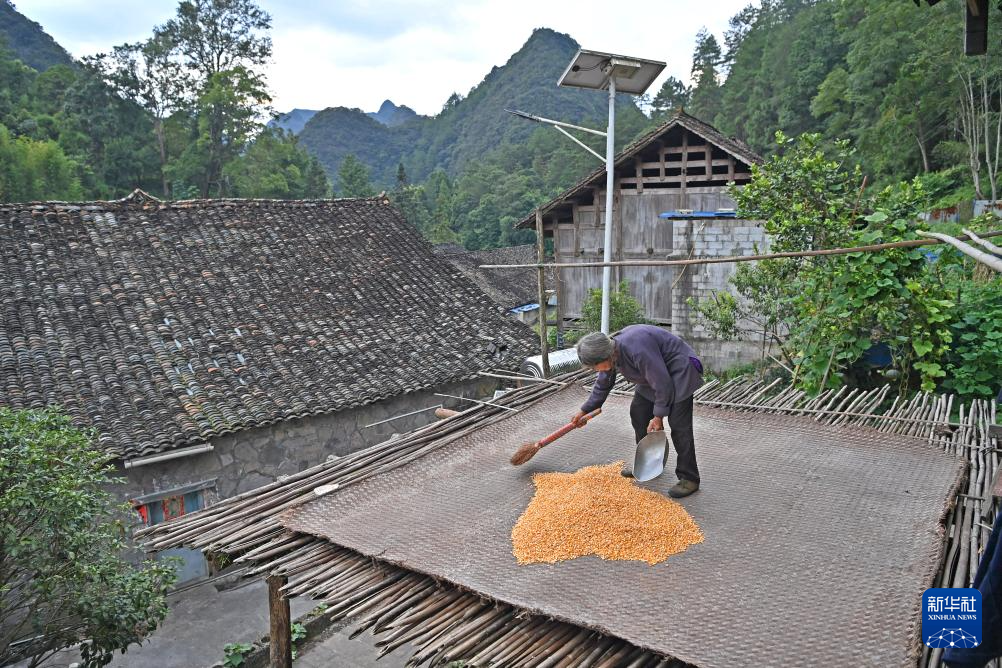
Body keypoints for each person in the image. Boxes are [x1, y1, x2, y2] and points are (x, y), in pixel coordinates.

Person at [572, 325, 704, 498]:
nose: (595, 370)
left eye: (594, 367)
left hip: (680, 370)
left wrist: (658, 417)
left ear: (606, 356)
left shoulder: (637, 350)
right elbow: (604, 383)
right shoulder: (610, 352)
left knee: (679, 426)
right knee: (639, 413)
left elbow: (662, 384)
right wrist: (584, 411)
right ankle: (649, 463)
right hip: (654, 375)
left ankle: (689, 478)